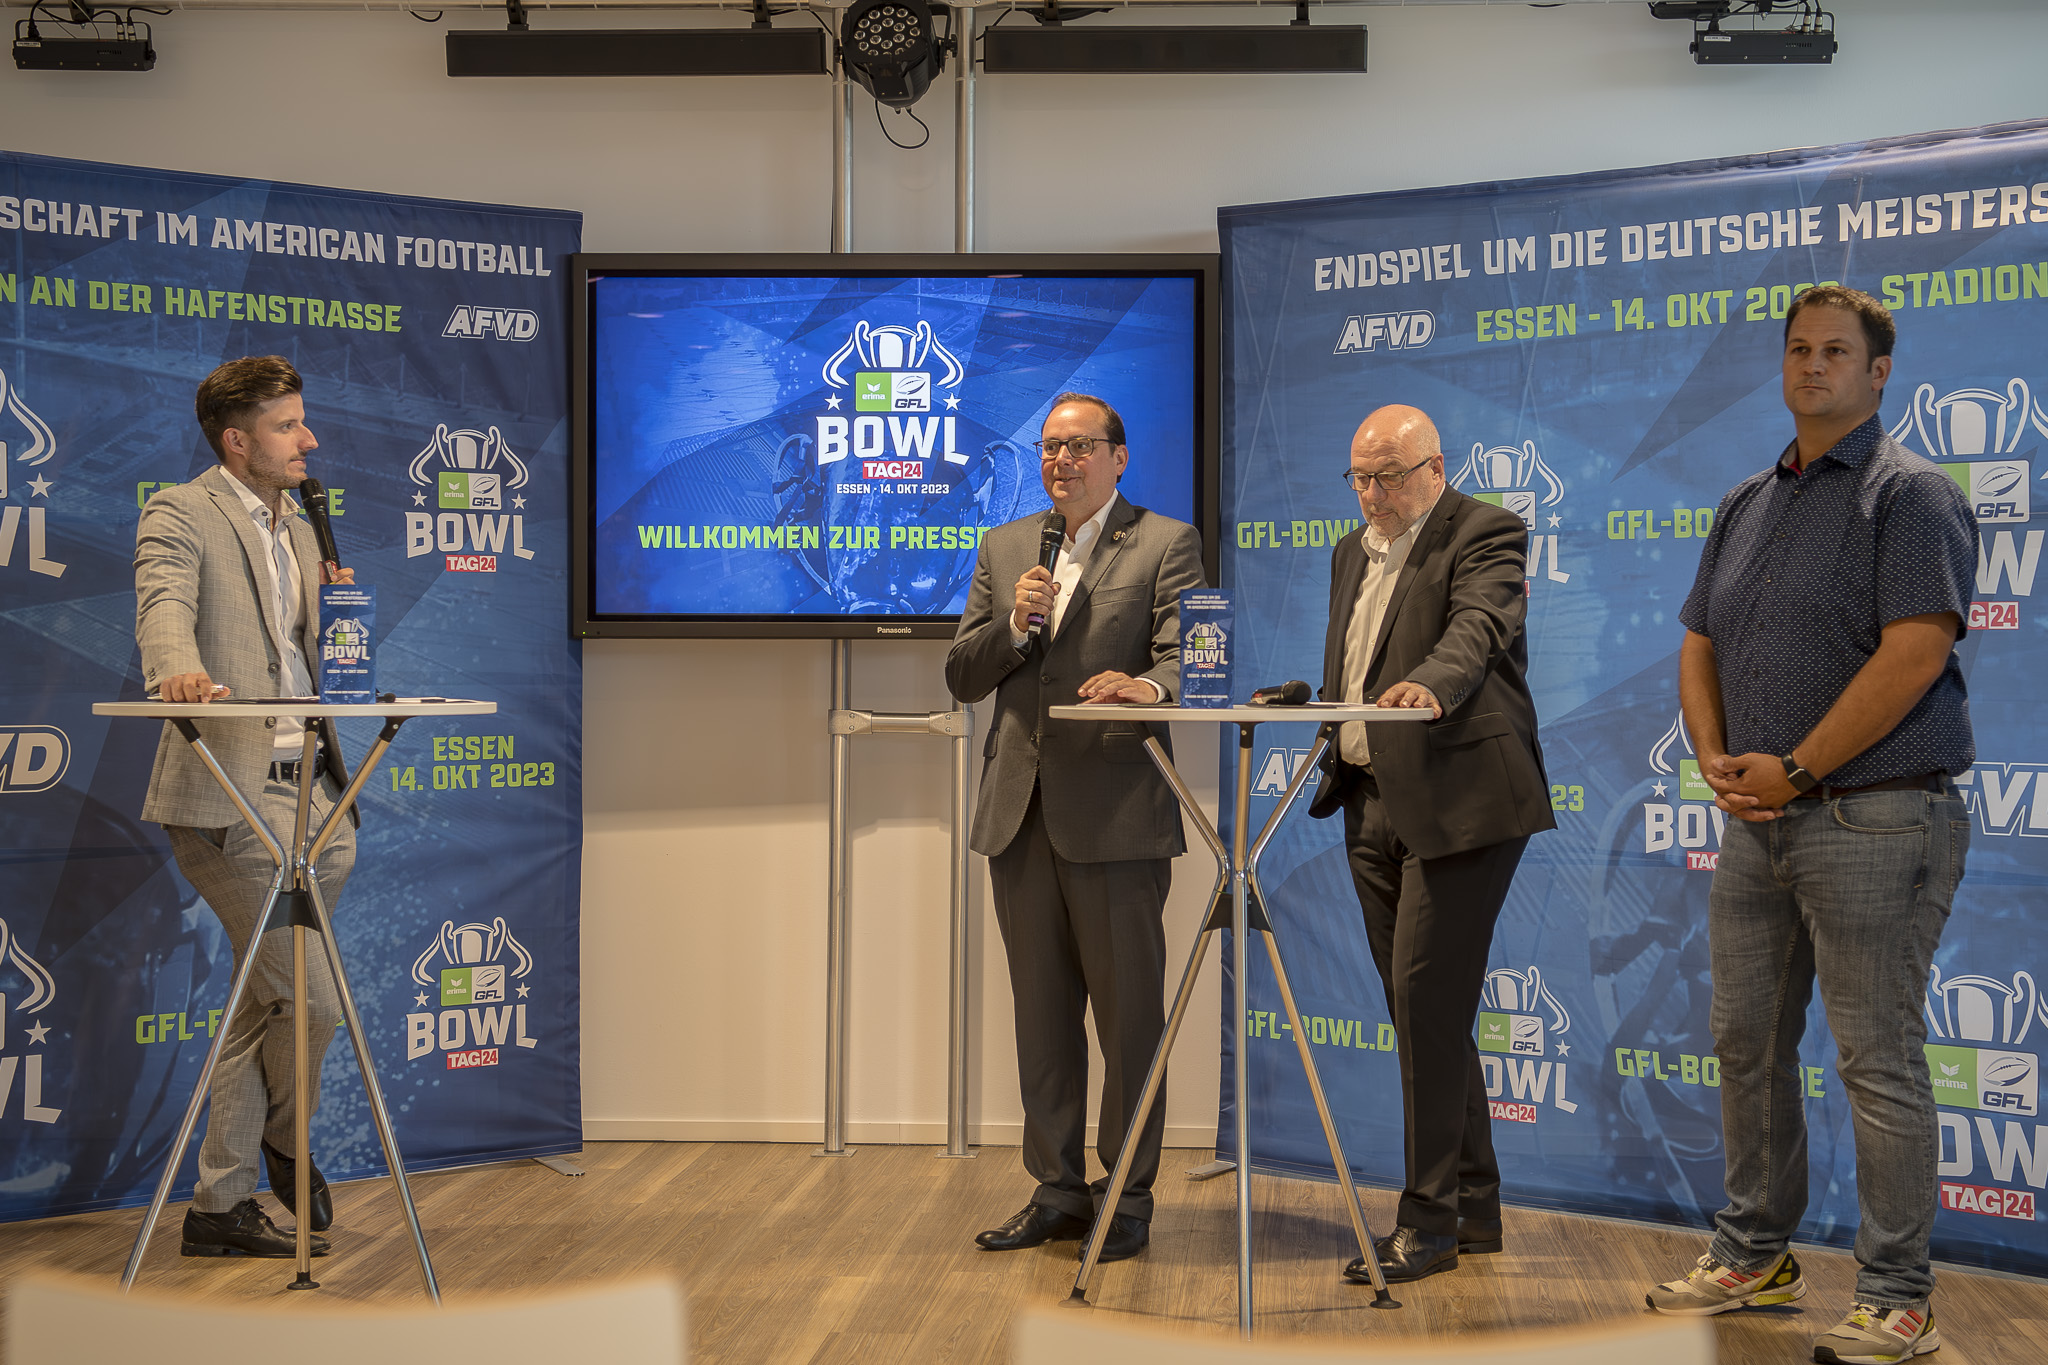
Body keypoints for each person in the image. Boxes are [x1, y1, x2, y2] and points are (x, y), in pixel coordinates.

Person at [1646, 286, 1975, 1365]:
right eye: (1796, 350)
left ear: (1878, 373)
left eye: (1835, 351)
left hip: (1875, 817)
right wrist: (1711, 756)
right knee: (1742, 1041)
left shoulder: (1908, 494)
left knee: (1874, 1058)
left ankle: (1897, 1295)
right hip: (1756, 824)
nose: (1811, 366)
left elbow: (1912, 654)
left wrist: (1791, 768)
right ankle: (1754, 1251)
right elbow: (1698, 639)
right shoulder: (1748, 499)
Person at [945, 392, 1204, 1264]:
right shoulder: (1006, 547)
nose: (1061, 461)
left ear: (1118, 457)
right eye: (1050, 448)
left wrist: (1148, 688)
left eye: (1080, 447)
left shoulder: (1166, 543)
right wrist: (1015, 627)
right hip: (1020, 815)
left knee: (1129, 1020)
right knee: (1042, 1019)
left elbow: (1190, 656)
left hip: (1119, 816)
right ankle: (1056, 1189)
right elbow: (961, 671)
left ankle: (1126, 1194)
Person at [1306, 403, 1554, 1285]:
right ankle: (1473, 1205)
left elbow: (1478, 630)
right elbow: (1357, 663)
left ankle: (1428, 1223)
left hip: (1463, 802)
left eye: (1388, 476)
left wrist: (1428, 686)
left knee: (1423, 1000)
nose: (1371, 494)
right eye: (1359, 477)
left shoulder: (1485, 530)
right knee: (1426, 1011)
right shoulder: (1350, 550)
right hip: (1371, 799)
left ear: (1433, 467)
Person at [135, 355, 358, 1258]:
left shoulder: (303, 525)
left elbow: (308, 652)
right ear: (238, 441)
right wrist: (173, 670)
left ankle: (218, 1206)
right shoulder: (182, 510)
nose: (310, 439)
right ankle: (285, 1139)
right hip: (227, 793)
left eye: (304, 422)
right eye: (288, 425)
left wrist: (345, 622)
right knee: (309, 1003)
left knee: (263, 1001)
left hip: (319, 791)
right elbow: (164, 601)